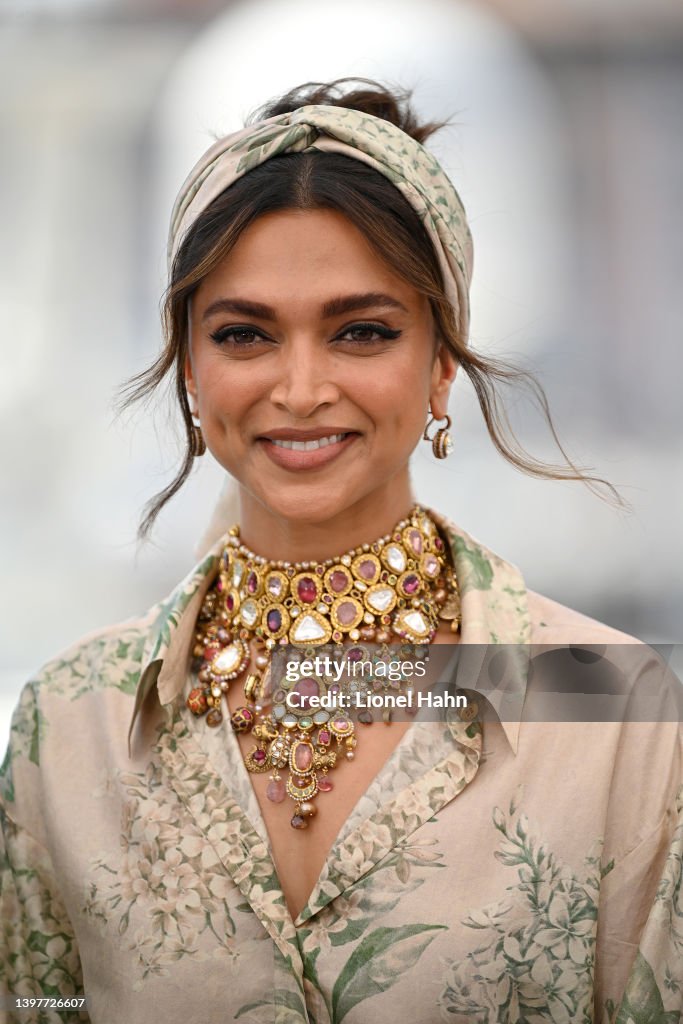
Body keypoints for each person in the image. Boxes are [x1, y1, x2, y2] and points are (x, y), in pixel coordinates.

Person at [1, 78, 681, 1024]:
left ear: (442, 360)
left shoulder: (610, 707)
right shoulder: (70, 726)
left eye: (361, 331)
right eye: (245, 335)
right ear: (190, 369)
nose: (301, 386)